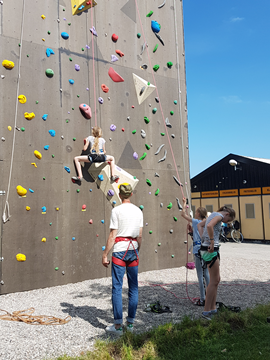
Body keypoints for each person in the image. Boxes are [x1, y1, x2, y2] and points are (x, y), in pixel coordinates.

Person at [102, 183, 143, 335]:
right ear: (131, 194)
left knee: (117, 288)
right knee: (133, 287)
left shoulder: (116, 210)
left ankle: (118, 326)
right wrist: (137, 250)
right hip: (133, 250)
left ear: (119, 195)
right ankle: (131, 325)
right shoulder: (138, 211)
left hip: (120, 250)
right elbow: (139, 235)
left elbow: (113, 235)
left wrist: (105, 254)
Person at [197, 206, 235, 320]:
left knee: (216, 280)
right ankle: (206, 311)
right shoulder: (219, 216)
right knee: (214, 281)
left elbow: (200, 225)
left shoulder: (212, 215)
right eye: (228, 220)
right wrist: (212, 241)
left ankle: (213, 308)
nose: (226, 222)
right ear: (227, 214)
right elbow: (209, 226)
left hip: (207, 248)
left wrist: (203, 238)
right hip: (211, 250)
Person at [181, 198, 210, 306]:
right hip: (206, 249)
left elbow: (183, 214)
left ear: (198, 213)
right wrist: (192, 232)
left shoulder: (196, 221)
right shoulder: (206, 223)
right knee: (206, 273)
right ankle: (210, 297)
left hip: (198, 250)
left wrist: (184, 203)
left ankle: (202, 299)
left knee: (200, 274)